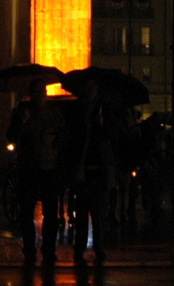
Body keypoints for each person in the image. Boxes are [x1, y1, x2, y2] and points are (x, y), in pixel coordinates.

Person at [7, 77, 67, 265]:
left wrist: (55, 141)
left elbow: (64, 135)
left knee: (50, 212)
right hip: (30, 166)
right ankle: (30, 248)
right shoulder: (23, 112)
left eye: (43, 92)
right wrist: (22, 124)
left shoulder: (54, 113)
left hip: (48, 166)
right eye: (37, 92)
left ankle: (48, 248)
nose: (40, 95)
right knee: (26, 211)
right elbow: (11, 135)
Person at [67, 78, 116, 264]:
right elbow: (73, 138)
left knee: (98, 214)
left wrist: (102, 125)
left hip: (98, 169)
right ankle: (80, 248)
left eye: (92, 88)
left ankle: (98, 247)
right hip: (83, 168)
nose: (90, 92)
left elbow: (111, 136)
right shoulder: (77, 110)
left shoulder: (103, 109)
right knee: (82, 213)